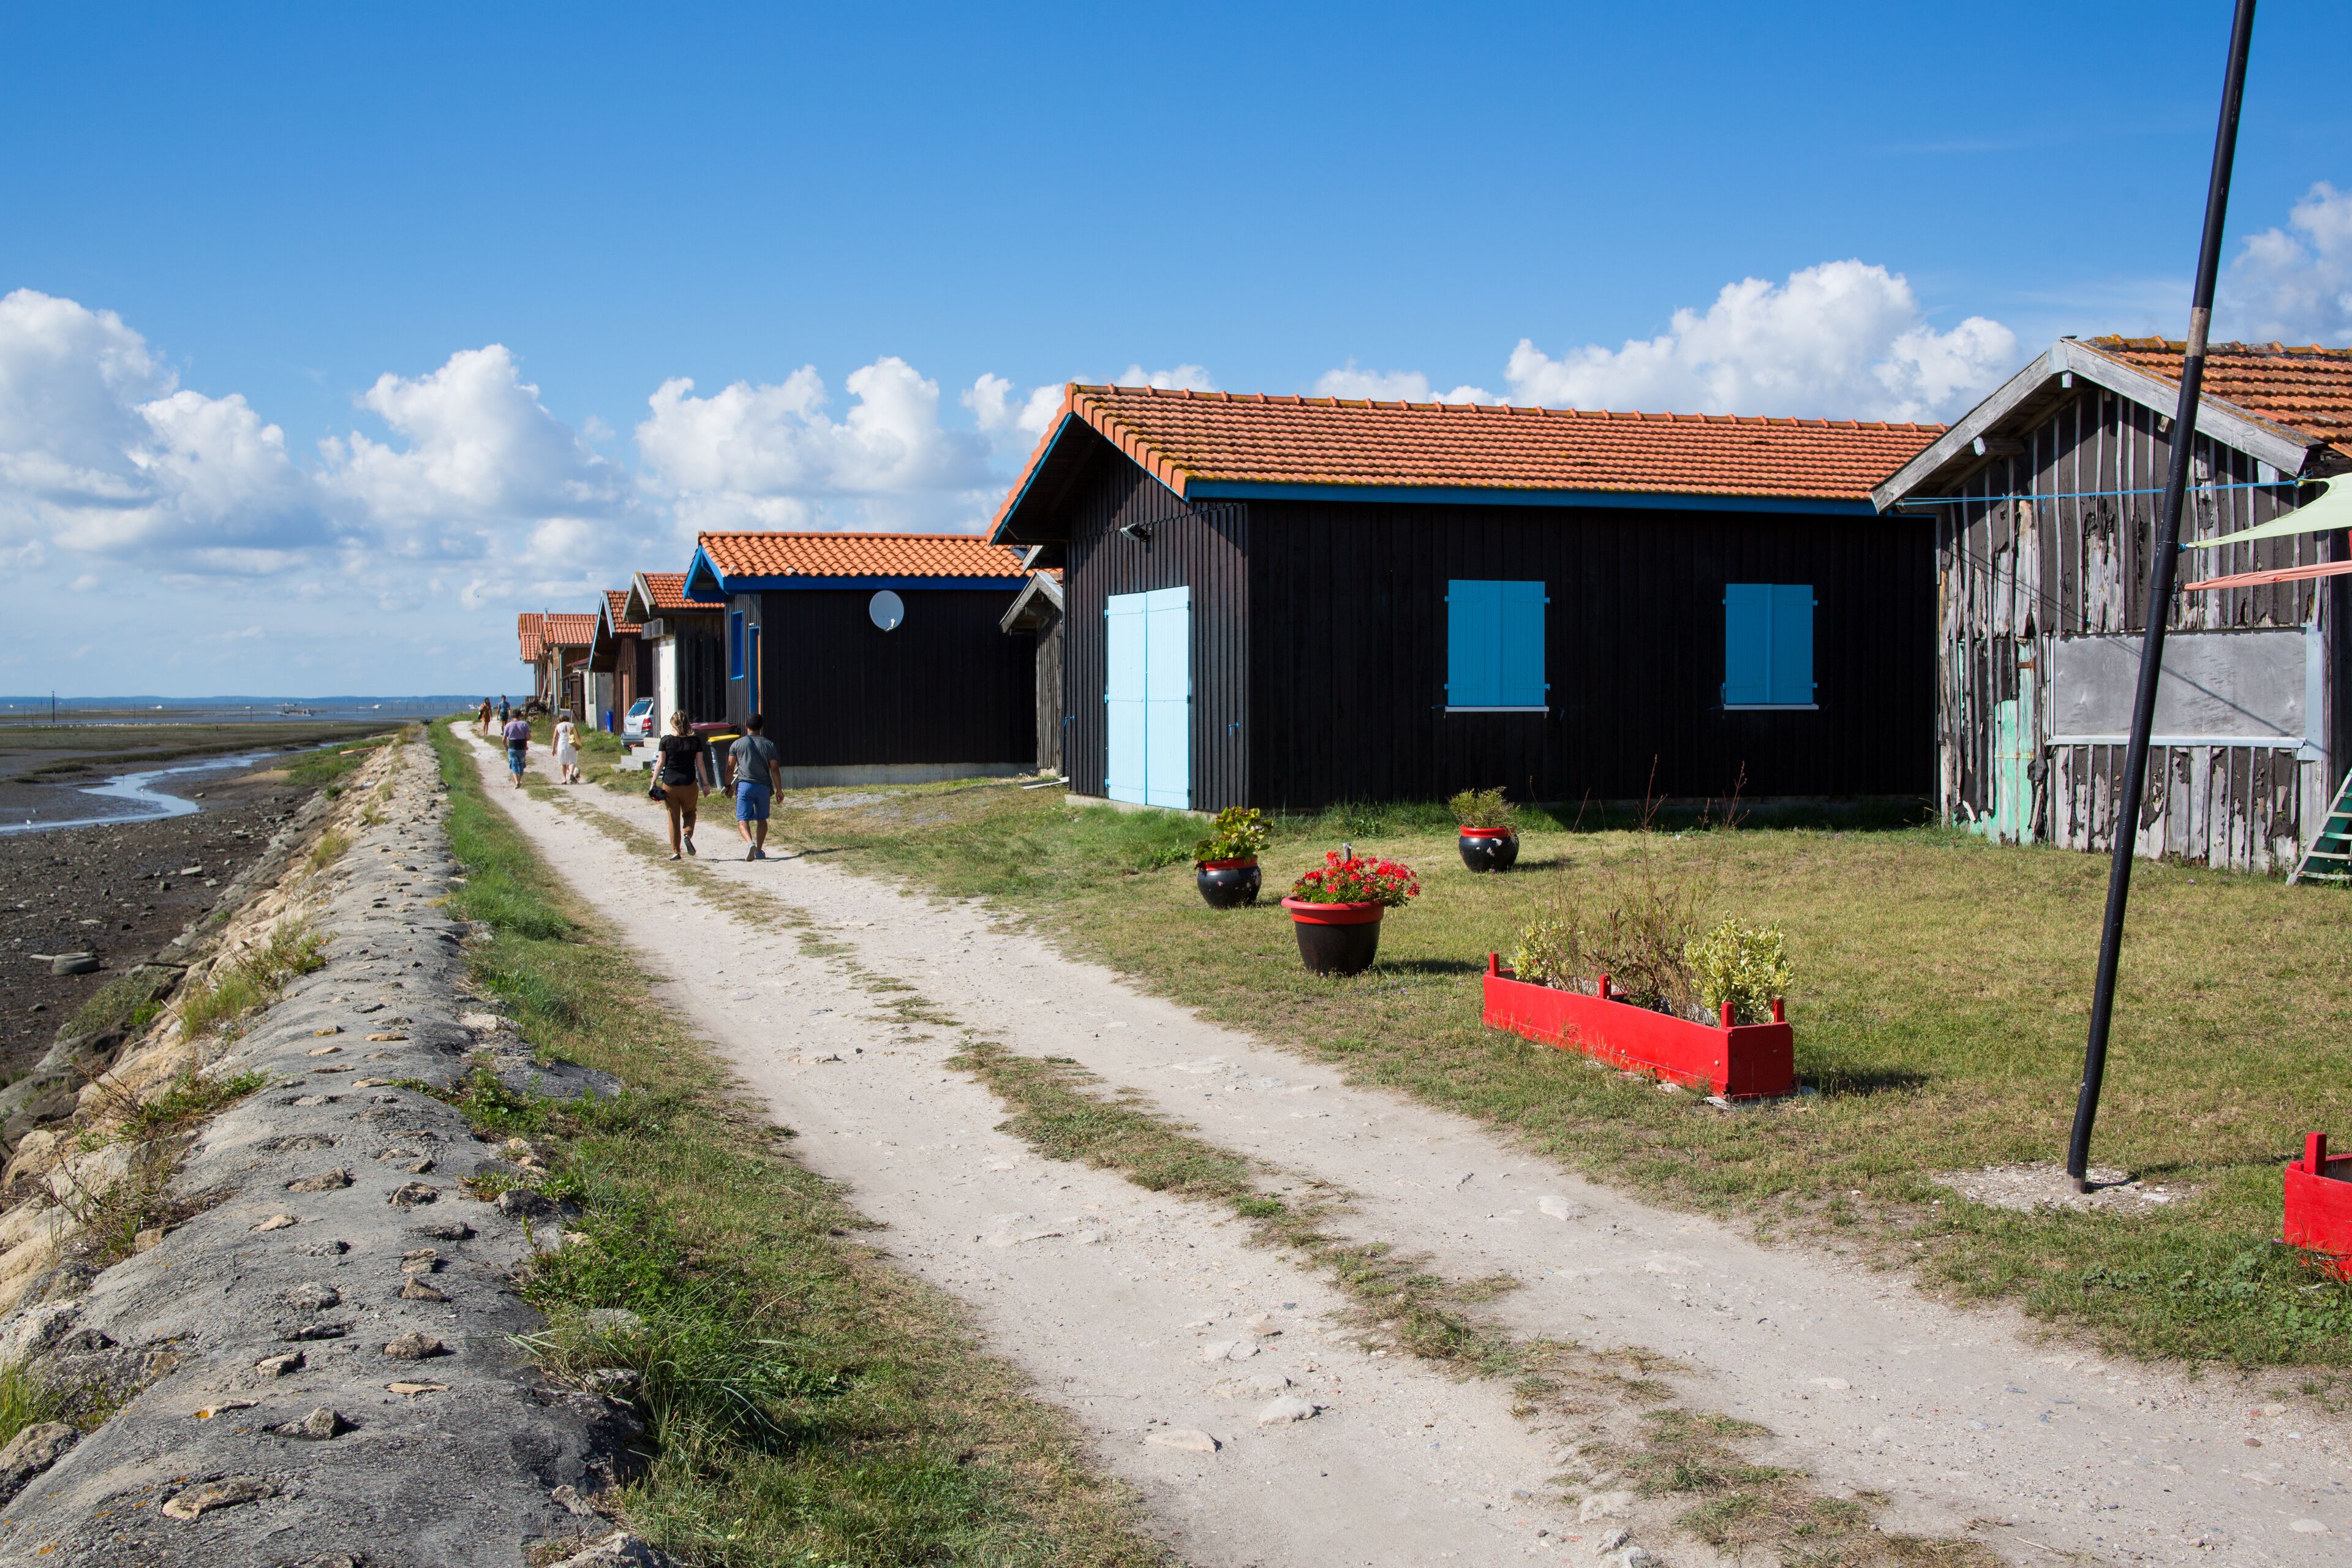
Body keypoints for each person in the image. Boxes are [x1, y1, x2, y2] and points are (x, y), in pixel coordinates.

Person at [723, 713, 784, 860]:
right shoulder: (769, 745)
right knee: (762, 819)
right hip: (763, 787)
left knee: (742, 819)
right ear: (762, 727)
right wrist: (779, 790)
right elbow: (774, 769)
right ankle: (759, 850)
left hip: (745, 786)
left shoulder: (737, 744)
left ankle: (750, 842)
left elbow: (730, 767)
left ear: (746, 726)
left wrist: (727, 785)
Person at [654, 710, 708, 859]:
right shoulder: (695, 741)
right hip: (689, 784)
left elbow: (660, 762)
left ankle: (676, 851)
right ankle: (687, 835)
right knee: (690, 813)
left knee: (673, 818)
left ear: (673, 724)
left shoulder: (665, 741)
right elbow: (701, 764)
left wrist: (653, 782)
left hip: (670, 785)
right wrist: (705, 784)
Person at [500, 710, 532, 788]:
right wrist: (525, 740)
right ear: (519, 716)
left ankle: (516, 781)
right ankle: (519, 780)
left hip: (512, 748)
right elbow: (529, 736)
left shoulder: (508, 725)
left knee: (514, 764)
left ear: (512, 717)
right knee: (521, 764)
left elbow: (504, 739)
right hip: (522, 748)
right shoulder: (524, 724)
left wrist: (506, 746)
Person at [553, 709, 582, 783]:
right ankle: (572, 774)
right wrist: (578, 745)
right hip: (571, 744)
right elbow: (578, 736)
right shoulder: (572, 725)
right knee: (572, 761)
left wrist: (553, 748)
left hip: (561, 745)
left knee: (563, 762)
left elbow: (555, 738)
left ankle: (564, 779)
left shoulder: (558, 726)